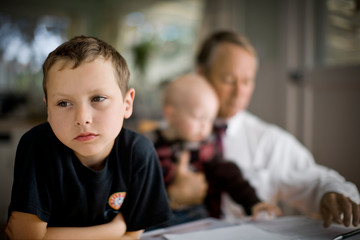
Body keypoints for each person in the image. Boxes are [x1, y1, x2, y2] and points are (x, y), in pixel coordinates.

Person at [6, 36, 171, 239]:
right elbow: (27, 237)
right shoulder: (37, 146)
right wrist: (115, 229)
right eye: (64, 103)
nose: (82, 119)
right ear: (48, 109)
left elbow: (132, 236)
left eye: (98, 98)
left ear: (127, 104)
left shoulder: (139, 152)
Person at [194, 30, 360, 228]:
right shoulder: (163, 137)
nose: (240, 92)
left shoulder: (269, 140)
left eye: (247, 81)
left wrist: (332, 192)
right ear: (202, 75)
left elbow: (315, 179)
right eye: (229, 80)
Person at [149, 73, 281, 227]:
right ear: (170, 114)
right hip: (156, 221)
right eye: (199, 117)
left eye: (210, 119)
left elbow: (230, 175)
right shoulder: (148, 146)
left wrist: (253, 203)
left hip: (201, 218)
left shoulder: (206, 147)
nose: (205, 126)